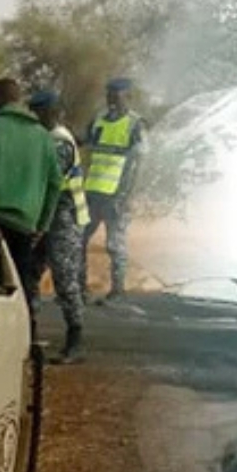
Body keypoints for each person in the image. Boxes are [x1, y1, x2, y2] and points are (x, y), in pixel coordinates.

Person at [0, 78, 61, 333]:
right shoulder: (43, 137)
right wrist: (42, 224)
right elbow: (54, 184)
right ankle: (24, 337)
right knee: (19, 285)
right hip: (26, 226)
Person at [28, 88, 90, 365]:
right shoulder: (44, 138)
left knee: (65, 279)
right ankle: (30, 336)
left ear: (53, 112)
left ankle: (75, 340)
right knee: (30, 275)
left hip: (65, 216)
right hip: (44, 217)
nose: (39, 116)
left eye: (43, 111)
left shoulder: (58, 142)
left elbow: (50, 184)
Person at [82, 76, 146, 303]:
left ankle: (117, 290)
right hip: (92, 192)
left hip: (116, 194)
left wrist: (127, 195)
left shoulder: (134, 124)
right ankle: (80, 288)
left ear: (127, 96)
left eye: (116, 95)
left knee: (114, 244)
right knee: (79, 239)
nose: (111, 100)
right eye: (109, 94)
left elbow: (138, 164)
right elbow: (86, 149)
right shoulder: (98, 120)